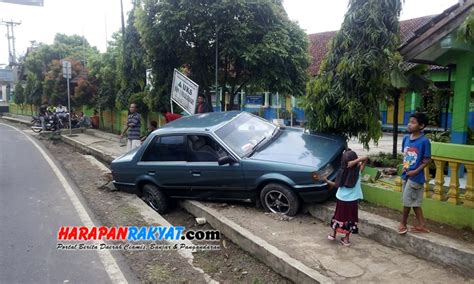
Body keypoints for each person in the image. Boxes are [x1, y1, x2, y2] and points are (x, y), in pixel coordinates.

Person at [324, 150, 368, 246]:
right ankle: (346, 239)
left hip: (341, 200)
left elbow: (336, 185)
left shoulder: (341, 172)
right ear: (354, 159)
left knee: (338, 217)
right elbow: (366, 158)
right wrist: (356, 161)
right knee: (350, 219)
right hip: (352, 201)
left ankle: (333, 234)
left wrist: (326, 181)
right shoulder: (358, 172)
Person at [398, 112, 431, 235]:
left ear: (421, 126)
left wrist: (415, 171)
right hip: (407, 175)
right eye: (409, 122)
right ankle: (422, 224)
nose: (409, 124)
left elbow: (426, 160)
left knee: (407, 201)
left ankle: (403, 223)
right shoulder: (406, 138)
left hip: (416, 177)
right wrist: (405, 168)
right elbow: (407, 156)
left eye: (413, 122)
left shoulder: (424, 141)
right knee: (414, 201)